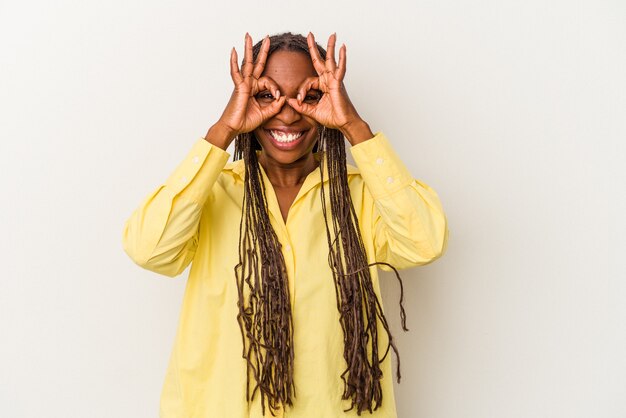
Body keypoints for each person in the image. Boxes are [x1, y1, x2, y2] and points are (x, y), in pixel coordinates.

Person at [123, 31, 448, 418]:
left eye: (309, 96)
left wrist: (355, 127)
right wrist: (223, 130)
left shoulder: (362, 196)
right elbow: (149, 249)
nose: (289, 113)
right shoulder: (210, 192)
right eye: (267, 95)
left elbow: (425, 242)